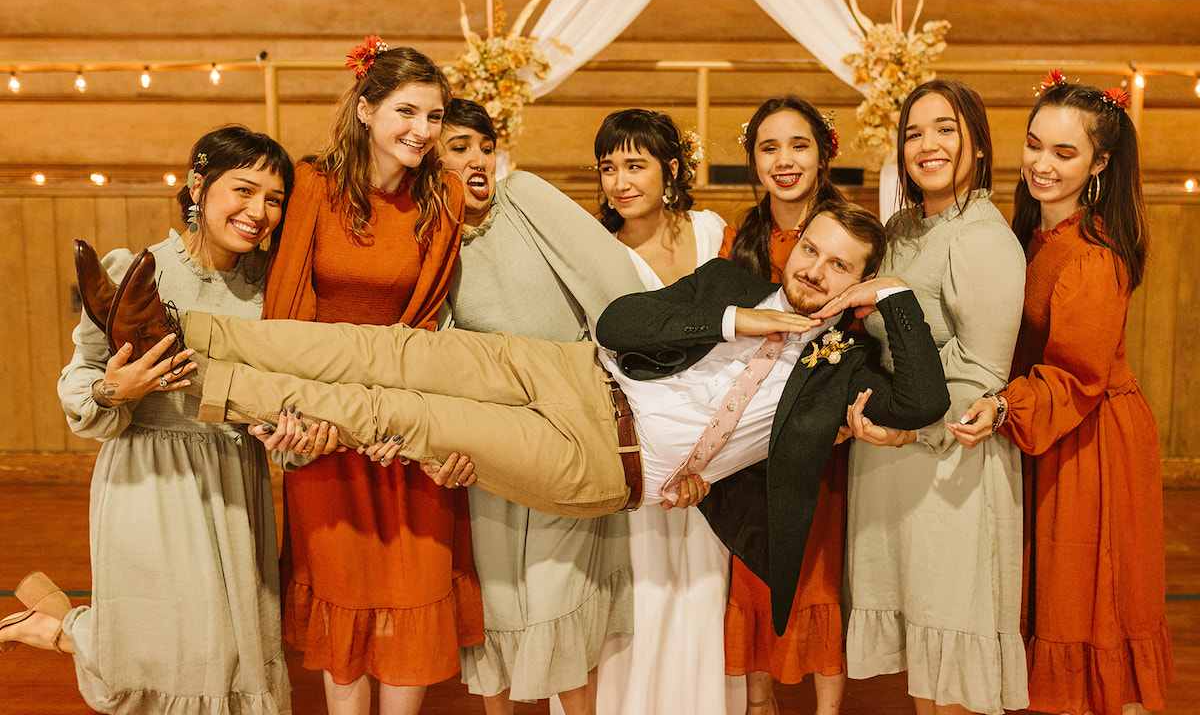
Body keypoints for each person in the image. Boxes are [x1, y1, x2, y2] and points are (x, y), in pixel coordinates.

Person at [91, 201, 950, 633]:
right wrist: (741, 320)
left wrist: (897, 296)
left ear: (857, 286)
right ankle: (169, 327)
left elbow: (924, 401)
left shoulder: (846, 373)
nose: (816, 271)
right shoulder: (730, 283)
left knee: (393, 412)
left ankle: (181, 378)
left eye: (842, 268)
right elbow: (621, 325)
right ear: (791, 246)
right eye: (813, 251)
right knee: (391, 352)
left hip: (604, 462)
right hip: (575, 370)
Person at [0, 125, 294, 714]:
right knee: (157, 646)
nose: (258, 211)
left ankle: (60, 625)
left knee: (235, 646)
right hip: (148, 473)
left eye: (274, 199)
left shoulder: (276, 288)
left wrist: (288, 433)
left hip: (235, 475)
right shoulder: (135, 273)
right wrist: (118, 387)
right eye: (243, 190)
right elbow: (83, 378)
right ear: (197, 187)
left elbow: (292, 390)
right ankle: (68, 630)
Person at [263, 38, 482, 715]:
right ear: (365, 108)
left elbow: (429, 319)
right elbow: (285, 311)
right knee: (347, 593)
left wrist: (405, 422)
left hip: (402, 423)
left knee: (412, 590)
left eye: (435, 116)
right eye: (406, 111)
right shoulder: (311, 185)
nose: (422, 130)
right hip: (325, 426)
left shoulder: (443, 193)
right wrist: (300, 415)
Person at [948, 77, 1175, 715]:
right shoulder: (1034, 235)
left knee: (1088, 597)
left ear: (1100, 163)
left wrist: (1001, 407)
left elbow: (1077, 375)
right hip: (1051, 430)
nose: (1042, 164)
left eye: (1065, 153)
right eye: (1034, 145)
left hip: (1091, 439)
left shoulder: (1094, 254)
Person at [828, 78, 1029, 715]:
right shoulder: (902, 227)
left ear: (978, 141)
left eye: (945, 128)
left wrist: (911, 432)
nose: (928, 144)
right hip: (892, 469)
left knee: (957, 680)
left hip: (950, 471)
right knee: (925, 677)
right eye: (914, 132)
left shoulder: (982, 236)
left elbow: (980, 372)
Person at [434, 98, 641, 714]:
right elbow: (434, 337)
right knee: (497, 595)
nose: (477, 160)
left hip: (571, 418)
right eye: (458, 147)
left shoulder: (523, 195)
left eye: (484, 145)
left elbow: (611, 279)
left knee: (560, 591)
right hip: (491, 428)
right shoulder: (428, 235)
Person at [591, 107, 739, 715]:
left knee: (703, 583)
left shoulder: (710, 230)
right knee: (643, 585)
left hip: (712, 444)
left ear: (670, 169)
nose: (620, 181)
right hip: (638, 445)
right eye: (608, 167)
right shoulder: (599, 251)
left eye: (635, 164)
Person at [717, 96, 848, 715]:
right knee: (753, 562)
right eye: (769, 147)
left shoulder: (848, 229)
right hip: (749, 432)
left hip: (820, 428)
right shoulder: (737, 238)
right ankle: (758, 702)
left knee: (816, 568)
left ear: (823, 153)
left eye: (798, 145)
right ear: (753, 161)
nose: (785, 160)